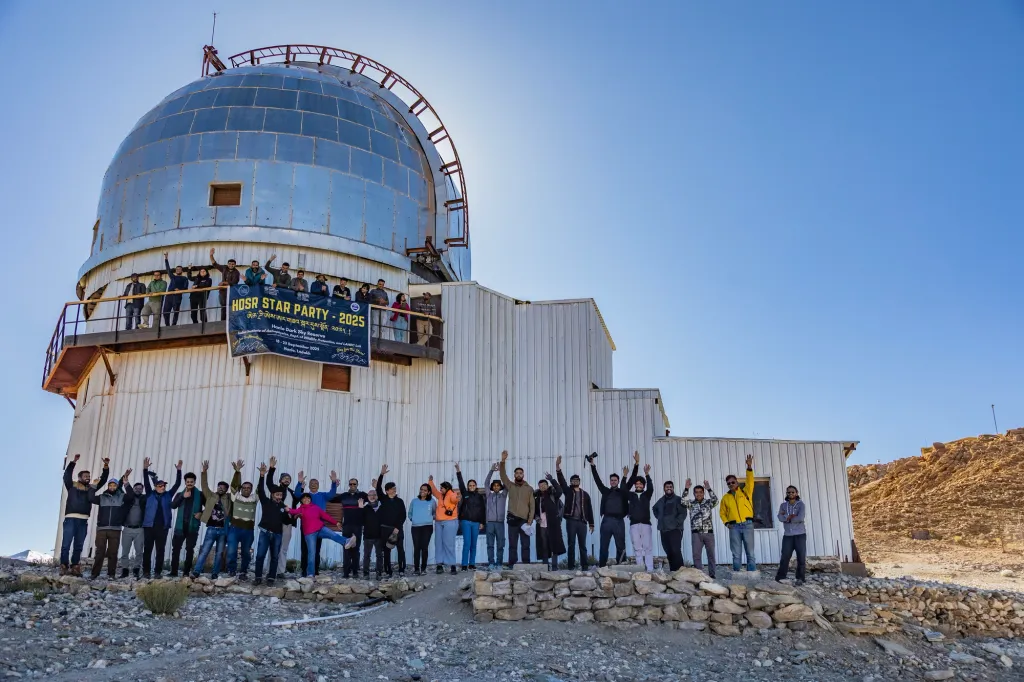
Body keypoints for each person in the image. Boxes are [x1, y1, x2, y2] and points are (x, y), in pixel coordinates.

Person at [288, 493, 357, 578]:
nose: (306, 500)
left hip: (320, 528)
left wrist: (336, 523)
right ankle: (310, 574)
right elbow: (293, 511)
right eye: (304, 499)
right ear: (302, 501)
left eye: (308, 498)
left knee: (332, 534)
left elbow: (325, 516)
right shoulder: (301, 509)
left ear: (310, 500)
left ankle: (346, 541)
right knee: (312, 554)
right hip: (310, 534)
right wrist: (287, 509)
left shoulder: (316, 507)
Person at [60, 454, 105, 576]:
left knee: (78, 545)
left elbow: (103, 481)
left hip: (83, 521)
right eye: (85, 476)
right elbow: (66, 475)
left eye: (89, 477)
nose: (88, 478)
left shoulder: (91, 488)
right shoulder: (72, 486)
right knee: (66, 544)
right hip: (70, 519)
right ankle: (64, 566)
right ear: (80, 477)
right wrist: (73, 462)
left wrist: (106, 467)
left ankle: (75, 566)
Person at [589, 451, 635, 567]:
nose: (613, 481)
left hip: (619, 521)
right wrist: (592, 465)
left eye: (615, 480)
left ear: (618, 481)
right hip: (607, 521)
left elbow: (632, 480)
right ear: (610, 481)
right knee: (604, 544)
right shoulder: (606, 491)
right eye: (611, 480)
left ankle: (621, 564)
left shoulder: (622, 492)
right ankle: (602, 566)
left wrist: (637, 464)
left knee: (621, 544)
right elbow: (597, 480)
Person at [191, 461, 234, 580]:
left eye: (223, 488)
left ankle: (215, 573)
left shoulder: (229, 498)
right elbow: (204, 486)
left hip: (223, 530)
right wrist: (204, 472)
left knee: (219, 553)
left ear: (226, 490)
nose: (221, 489)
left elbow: (235, 490)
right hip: (211, 529)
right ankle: (196, 571)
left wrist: (237, 472)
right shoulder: (211, 496)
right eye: (219, 487)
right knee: (204, 551)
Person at [141, 458, 183, 579]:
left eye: (164, 485)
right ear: (155, 486)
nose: (162, 487)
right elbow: (146, 481)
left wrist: (179, 471)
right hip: (149, 526)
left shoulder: (168, 495)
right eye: (160, 485)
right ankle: (146, 571)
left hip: (162, 527)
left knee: (160, 550)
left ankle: (158, 572)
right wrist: (145, 469)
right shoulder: (149, 493)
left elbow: (177, 484)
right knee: (147, 550)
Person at [90, 467, 134, 579]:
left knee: (113, 553)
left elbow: (131, 497)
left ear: (116, 487)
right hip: (101, 529)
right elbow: (90, 498)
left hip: (115, 529)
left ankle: (111, 574)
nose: (112, 487)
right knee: (99, 552)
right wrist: (94, 485)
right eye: (110, 485)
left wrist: (126, 484)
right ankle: (94, 574)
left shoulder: (121, 497)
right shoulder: (102, 497)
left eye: (114, 485)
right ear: (108, 486)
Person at [293, 470, 339, 576]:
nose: (314, 485)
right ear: (309, 485)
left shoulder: (323, 495)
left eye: (316, 484)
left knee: (316, 549)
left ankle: (315, 571)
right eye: (312, 484)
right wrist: (299, 483)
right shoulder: (306, 496)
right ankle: (304, 571)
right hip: (306, 526)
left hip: (319, 526)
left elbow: (332, 493)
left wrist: (333, 482)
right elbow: (296, 494)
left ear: (318, 486)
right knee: (305, 549)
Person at [254, 463, 290, 586]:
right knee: (260, 556)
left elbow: (286, 521)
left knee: (275, 557)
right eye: (277, 495)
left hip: (277, 534)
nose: (279, 497)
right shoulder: (265, 501)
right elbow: (261, 489)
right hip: (264, 533)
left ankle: (271, 578)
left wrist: (292, 514)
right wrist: (262, 476)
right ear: (272, 495)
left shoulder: (283, 507)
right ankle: (258, 577)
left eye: (280, 495)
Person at [556, 455, 594, 570]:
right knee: (571, 544)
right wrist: (558, 467)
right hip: (571, 521)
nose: (575, 481)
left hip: (582, 522)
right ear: (571, 482)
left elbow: (590, 510)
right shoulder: (568, 491)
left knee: (583, 545)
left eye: (577, 480)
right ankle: (571, 567)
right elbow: (561, 481)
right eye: (573, 480)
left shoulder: (585, 494)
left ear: (579, 481)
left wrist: (591, 523)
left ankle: (585, 566)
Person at [720, 454, 757, 572]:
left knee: (750, 552)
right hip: (734, 527)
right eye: (729, 483)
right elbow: (722, 512)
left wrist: (749, 467)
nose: (731, 484)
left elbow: (750, 482)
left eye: (733, 482)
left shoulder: (746, 492)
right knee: (736, 554)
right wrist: (727, 524)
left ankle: (751, 576)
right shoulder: (725, 498)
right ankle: (737, 576)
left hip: (747, 525)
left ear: (737, 482)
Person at [499, 450, 535, 568]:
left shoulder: (529, 488)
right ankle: (512, 565)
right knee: (512, 544)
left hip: (524, 521)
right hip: (512, 519)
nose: (519, 474)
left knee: (525, 544)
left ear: (523, 475)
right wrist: (503, 461)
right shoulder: (510, 485)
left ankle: (526, 564)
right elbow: (503, 476)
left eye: (521, 473)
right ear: (514, 475)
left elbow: (532, 505)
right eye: (517, 473)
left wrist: (530, 519)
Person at [169, 470, 204, 578]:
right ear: (185, 482)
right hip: (180, 527)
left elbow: (209, 507)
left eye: (191, 481)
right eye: (188, 481)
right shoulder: (180, 494)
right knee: (175, 550)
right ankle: (173, 572)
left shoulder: (200, 494)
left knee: (189, 550)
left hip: (192, 527)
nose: (189, 483)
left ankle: (186, 573)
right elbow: (173, 505)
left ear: (194, 482)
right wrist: (183, 496)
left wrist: (201, 514)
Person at [681, 479, 719, 578]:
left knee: (711, 555)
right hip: (696, 534)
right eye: (696, 492)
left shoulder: (709, 503)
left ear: (703, 493)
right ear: (694, 493)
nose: (698, 494)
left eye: (701, 492)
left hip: (708, 533)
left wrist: (709, 489)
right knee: (696, 556)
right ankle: (700, 576)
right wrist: (686, 488)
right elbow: (682, 501)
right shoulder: (691, 503)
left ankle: (712, 575)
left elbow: (716, 501)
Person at [227, 461, 258, 580]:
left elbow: (260, 489)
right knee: (231, 550)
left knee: (246, 553)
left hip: (248, 530)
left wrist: (262, 475)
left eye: (248, 488)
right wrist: (237, 472)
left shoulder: (254, 498)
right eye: (244, 488)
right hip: (235, 529)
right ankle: (231, 570)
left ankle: (243, 571)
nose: (245, 489)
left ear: (251, 489)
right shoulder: (236, 496)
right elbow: (234, 485)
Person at [333, 477, 368, 579]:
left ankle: (355, 571)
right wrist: (334, 485)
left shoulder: (362, 495)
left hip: (358, 525)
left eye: (354, 484)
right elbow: (330, 498)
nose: (352, 486)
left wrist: (375, 487)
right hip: (346, 525)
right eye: (351, 484)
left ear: (357, 485)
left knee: (356, 549)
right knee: (346, 548)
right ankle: (346, 572)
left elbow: (374, 499)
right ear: (349, 485)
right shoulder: (343, 496)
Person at [266, 458, 296, 577]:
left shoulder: (292, 492)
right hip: (274, 522)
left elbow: (300, 499)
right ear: (280, 480)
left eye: (289, 478)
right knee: (272, 548)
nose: (287, 480)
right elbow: (268, 482)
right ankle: (269, 570)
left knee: (283, 548)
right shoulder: (275, 490)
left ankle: (281, 571)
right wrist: (272, 469)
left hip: (287, 523)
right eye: (284, 478)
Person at [375, 465, 407, 577]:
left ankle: (402, 569)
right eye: (392, 488)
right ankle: (388, 571)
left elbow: (403, 515)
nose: (394, 489)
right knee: (386, 550)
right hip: (385, 528)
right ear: (387, 491)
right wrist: (381, 474)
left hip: (398, 529)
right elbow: (378, 487)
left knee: (400, 549)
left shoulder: (400, 501)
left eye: (395, 488)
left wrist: (398, 527)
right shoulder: (383, 499)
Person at [455, 463, 485, 571]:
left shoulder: (480, 497)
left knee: (473, 544)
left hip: (476, 523)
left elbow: (482, 510)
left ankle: (472, 564)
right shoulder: (465, 493)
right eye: (470, 485)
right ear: (468, 487)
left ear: (476, 486)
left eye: (473, 485)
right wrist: (458, 471)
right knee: (467, 543)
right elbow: (461, 483)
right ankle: (464, 565)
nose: (472, 487)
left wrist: (482, 522)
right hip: (466, 522)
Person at [626, 459, 655, 571]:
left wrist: (647, 475)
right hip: (634, 524)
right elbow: (624, 487)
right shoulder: (631, 495)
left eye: (640, 484)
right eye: (637, 483)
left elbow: (651, 487)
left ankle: (650, 569)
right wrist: (625, 476)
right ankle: (640, 569)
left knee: (647, 548)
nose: (638, 485)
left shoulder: (647, 494)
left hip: (646, 524)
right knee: (637, 548)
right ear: (635, 485)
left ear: (643, 486)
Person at [534, 468, 565, 571]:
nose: (542, 486)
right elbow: (534, 510)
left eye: (544, 485)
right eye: (540, 485)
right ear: (539, 487)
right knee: (544, 545)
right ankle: (545, 566)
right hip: (542, 525)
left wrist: (552, 479)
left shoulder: (553, 495)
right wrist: (536, 517)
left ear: (547, 486)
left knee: (554, 545)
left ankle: (555, 567)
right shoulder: (537, 498)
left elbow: (560, 490)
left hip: (553, 524)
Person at [652, 480, 687, 571]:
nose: (669, 488)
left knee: (675, 550)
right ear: (664, 488)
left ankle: (681, 571)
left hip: (675, 530)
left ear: (673, 488)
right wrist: (660, 518)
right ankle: (673, 571)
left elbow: (683, 513)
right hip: (664, 530)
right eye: (667, 487)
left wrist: (676, 523)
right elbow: (654, 509)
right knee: (669, 551)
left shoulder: (678, 499)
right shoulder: (661, 500)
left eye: (670, 487)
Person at [428, 475, 459, 574]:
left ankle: (452, 565)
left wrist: (457, 496)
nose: (440, 489)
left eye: (442, 488)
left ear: (447, 488)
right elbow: (434, 491)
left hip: (450, 521)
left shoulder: (452, 494)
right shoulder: (440, 495)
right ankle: (439, 564)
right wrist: (430, 482)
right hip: (438, 522)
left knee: (449, 543)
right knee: (438, 543)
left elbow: (455, 499)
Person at [776, 485, 807, 585]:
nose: (790, 494)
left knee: (801, 557)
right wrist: (789, 516)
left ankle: (800, 578)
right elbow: (780, 517)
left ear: (796, 493)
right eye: (788, 492)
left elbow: (800, 518)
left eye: (793, 492)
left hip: (800, 534)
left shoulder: (801, 505)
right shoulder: (783, 506)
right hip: (788, 535)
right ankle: (780, 577)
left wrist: (787, 518)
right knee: (785, 556)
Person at [119, 480, 146, 579]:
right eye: (136, 488)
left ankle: (136, 571)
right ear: (133, 489)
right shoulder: (127, 498)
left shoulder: (144, 499)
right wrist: (126, 482)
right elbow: (119, 489)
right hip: (127, 528)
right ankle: (125, 571)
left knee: (139, 552)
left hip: (139, 529)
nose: (138, 490)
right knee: (125, 552)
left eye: (140, 489)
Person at [482, 464, 507, 570]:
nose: (496, 487)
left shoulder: (504, 495)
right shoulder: (489, 495)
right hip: (490, 523)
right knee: (490, 544)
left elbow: (507, 483)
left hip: (500, 523)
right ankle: (491, 563)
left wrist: (501, 470)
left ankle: (499, 563)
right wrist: (491, 470)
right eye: (494, 485)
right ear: (492, 487)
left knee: (500, 545)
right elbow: (486, 483)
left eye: (498, 485)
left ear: (500, 487)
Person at [408, 484, 436, 576]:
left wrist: (429, 518)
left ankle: (423, 568)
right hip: (416, 527)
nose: (422, 491)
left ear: (428, 492)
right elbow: (410, 513)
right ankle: (416, 569)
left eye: (424, 490)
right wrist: (413, 519)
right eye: (421, 489)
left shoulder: (432, 501)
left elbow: (435, 512)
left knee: (424, 548)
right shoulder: (414, 501)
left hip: (427, 527)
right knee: (416, 548)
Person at [358, 489, 385, 579]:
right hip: (368, 536)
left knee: (379, 555)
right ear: (368, 497)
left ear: (377, 496)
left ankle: (379, 573)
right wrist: (360, 509)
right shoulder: (365, 508)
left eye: (374, 495)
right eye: (370, 495)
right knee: (366, 555)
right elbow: (360, 521)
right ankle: (366, 573)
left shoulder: (382, 508)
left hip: (379, 536)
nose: (372, 497)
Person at [209, 248, 240, 321]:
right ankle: (222, 323)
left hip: (231, 292)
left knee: (230, 307)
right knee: (223, 307)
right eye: (230, 264)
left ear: (235, 265)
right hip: (222, 292)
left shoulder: (236, 272)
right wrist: (211, 255)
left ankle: (231, 322)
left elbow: (234, 283)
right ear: (227, 264)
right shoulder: (224, 268)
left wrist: (224, 283)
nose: (231, 265)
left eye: (233, 264)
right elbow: (215, 264)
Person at [162, 254, 189, 326]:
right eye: (177, 269)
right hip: (169, 296)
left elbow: (186, 288)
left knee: (176, 312)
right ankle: (167, 325)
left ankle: (173, 325)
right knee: (165, 312)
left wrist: (179, 290)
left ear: (182, 271)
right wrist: (166, 259)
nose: (178, 270)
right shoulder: (173, 277)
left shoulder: (184, 278)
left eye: (179, 269)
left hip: (177, 296)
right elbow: (168, 269)